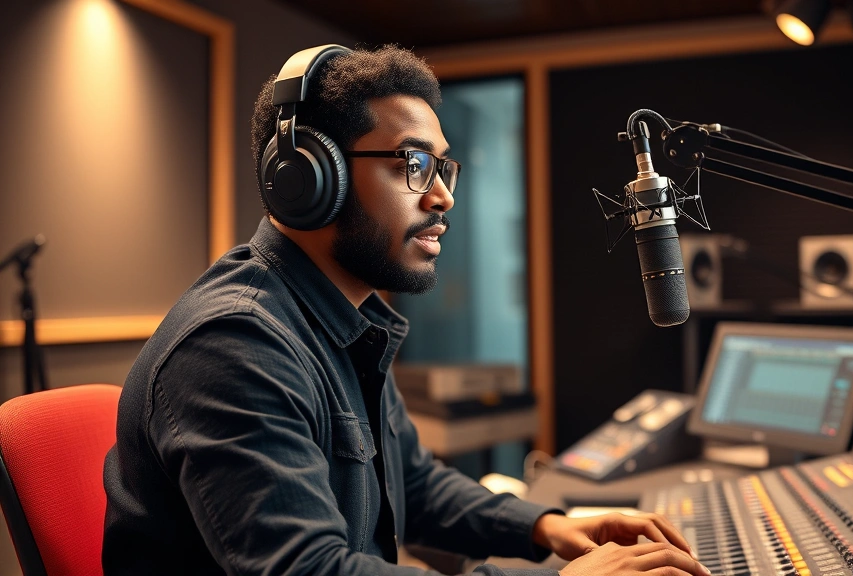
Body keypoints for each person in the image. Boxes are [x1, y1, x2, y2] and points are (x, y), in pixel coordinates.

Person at [102, 44, 709, 576]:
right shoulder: (235, 345)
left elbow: (412, 482)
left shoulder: (345, 319)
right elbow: (309, 570)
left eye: (443, 167)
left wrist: (547, 526)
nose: (443, 194)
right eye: (413, 164)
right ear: (310, 178)